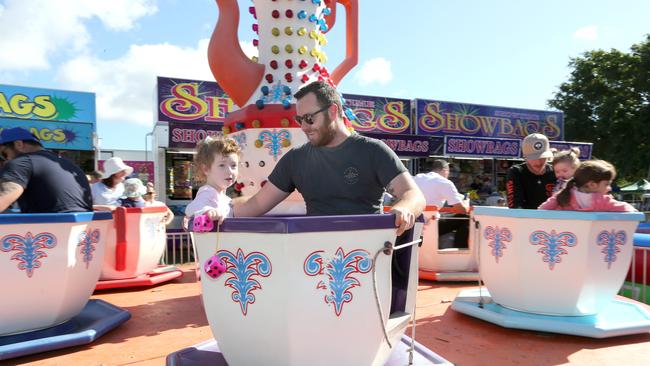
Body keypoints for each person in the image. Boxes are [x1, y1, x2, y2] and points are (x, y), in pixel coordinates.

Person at [232, 81, 425, 235]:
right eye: (299, 120)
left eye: (309, 118)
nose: (304, 127)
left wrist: (405, 208)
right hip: (314, 259)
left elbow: (413, 195)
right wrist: (218, 209)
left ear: (333, 111)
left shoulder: (373, 151)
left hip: (368, 254)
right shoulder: (295, 159)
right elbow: (257, 204)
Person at [0, 127, 92, 213]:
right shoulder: (70, 165)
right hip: (86, 227)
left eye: (4, 154)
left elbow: (3, 199)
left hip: (46, 228)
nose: (6, 159)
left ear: (18, 144)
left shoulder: (21, 162)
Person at [539, 160, 636, 212]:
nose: (609, 188)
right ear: (592, 184)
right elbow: (627, 209)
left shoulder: (562, 195)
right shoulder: (602, 201)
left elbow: (542, 210)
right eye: (607, 184)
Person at [414, 159, 470, 248]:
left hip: (414, 222)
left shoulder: (417, 177)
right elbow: (462, 209)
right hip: (431, 224)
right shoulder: (445, 182)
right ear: (445, 170)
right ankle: (460, 248)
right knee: (466, 217)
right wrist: (466, 202)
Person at [185, 136, 241, 224]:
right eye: (222, 165)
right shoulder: (208, 192)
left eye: (233, 165)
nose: (230, 171)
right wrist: (208, 211)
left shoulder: (224, 198)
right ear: (206, 169)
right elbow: (191, 208)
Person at [506, 133, 556, 209]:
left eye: (543, 157)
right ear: (525, 157)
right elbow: (515, 205)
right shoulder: (517, 172)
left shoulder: (556, 172)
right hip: (526, 219)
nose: (538, 162)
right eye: (533, 158)